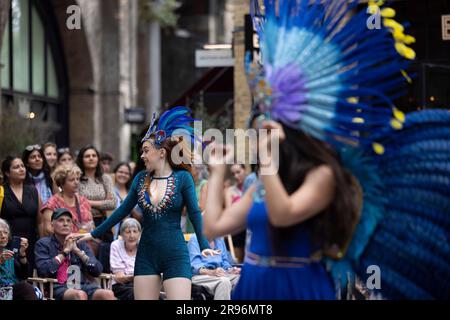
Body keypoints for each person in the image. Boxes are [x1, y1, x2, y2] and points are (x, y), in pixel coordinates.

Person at [76, 106, 219, 300]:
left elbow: (194, 213)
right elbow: (122, 211)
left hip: (175, 254)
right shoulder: (141, 178)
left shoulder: (183, 177)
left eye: (145, 151)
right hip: (146, 255)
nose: (141, 156)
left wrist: (203, 245)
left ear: (161, 152)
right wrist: (93, 234)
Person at [34, 208, 116, 300]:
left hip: (82, 285)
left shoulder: (80, 244)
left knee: (107, 294)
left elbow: (97, 270)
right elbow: (43, 270)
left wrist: (78, 252)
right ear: (52, 224)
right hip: (57, 285)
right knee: (80, 295)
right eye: (61, 220)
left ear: (72, 226)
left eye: (68, 221)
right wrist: (65, 252)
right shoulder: (43, 244)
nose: (65, 224)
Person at [1, 156, 41, 271]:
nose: (21, 169)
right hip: (7, 242)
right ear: (7, 173)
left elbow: (40, 221)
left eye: (23, 166)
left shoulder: (33, 190)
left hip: (31, 242)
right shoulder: (1, 191)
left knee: (28, 274)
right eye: (16, 167)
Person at [41, 164, 94, 237]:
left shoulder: (83, 200)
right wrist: (72, 236)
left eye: (77, 179)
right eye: (72, 180)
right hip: (62, 245)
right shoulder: (52, 203)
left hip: (84, 243)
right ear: (62, 183)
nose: (76, 182)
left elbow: (92, 224)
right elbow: (48, 229)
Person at [77, 145, 116, 241]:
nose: (91, 158)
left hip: (102, 222)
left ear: (98, 159)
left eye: (94, 156)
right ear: (81, 159)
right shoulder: (76, 179)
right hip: (82, 223)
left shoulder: (105, 178)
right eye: (87, 156)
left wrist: (88, 202)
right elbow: (76, 202)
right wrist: (103, 203)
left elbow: (113, 203)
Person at [188, 234, 240, 300]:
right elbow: (195, 267)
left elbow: (225, 262)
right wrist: (212, 272)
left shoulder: (219, 239)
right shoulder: (195, 238)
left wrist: (230, 270)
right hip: (199, 275)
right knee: (224, 281)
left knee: (240, 279)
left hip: (218, 274)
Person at [0, 218, 37, 300]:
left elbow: (24, 276)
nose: (3, 236)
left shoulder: (9, 252)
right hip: (3, 291)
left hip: (13, 290)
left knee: (28, 289)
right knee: (26, 288)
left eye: (5, 233)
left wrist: (22, 254)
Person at [109, 218, 141, 300]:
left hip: (140, 284)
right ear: (122, 234)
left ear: (139, 234)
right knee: (137, 293)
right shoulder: (116, 245)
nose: (132, 235)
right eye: (128, 232)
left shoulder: (144, 246)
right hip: (120, 286)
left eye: (135, 231)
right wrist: (134, 277)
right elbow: (119, 277)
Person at [224, 164, 248, 263]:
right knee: (238, 262)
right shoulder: (230, 191)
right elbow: (229, 212)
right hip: (237, 230)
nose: (236, 176)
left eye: (238, 172)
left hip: (251, 229)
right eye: (233, 174)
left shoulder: (253, 187)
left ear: (245, 170)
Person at [112, 162, 142, 239]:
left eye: (126, 173)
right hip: (111, 231)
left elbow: (139, 217)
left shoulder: (133, 193)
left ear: (130, 176)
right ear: (114, 173)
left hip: (129, 233)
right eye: (120, 172)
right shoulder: (109, 191)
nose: (123, 175)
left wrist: (129, 206)